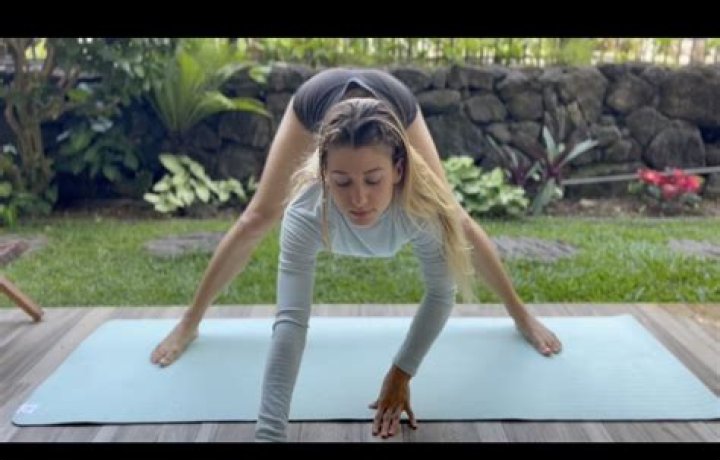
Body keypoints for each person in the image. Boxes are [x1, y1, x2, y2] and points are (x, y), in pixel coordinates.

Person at [150, 68, 562, 441]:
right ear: (322, 173)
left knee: (455, 215)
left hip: (390, 97)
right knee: (258, 215)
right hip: (320, 96)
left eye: (373, 180)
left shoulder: (420, 207)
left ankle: (521, 314)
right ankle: (189, 322)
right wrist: (269, 434)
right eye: (342, 182)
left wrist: (402, 372)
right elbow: (290, 323)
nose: (359, 198)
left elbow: (441, 293)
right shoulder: (307, 212)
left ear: (397, 170)